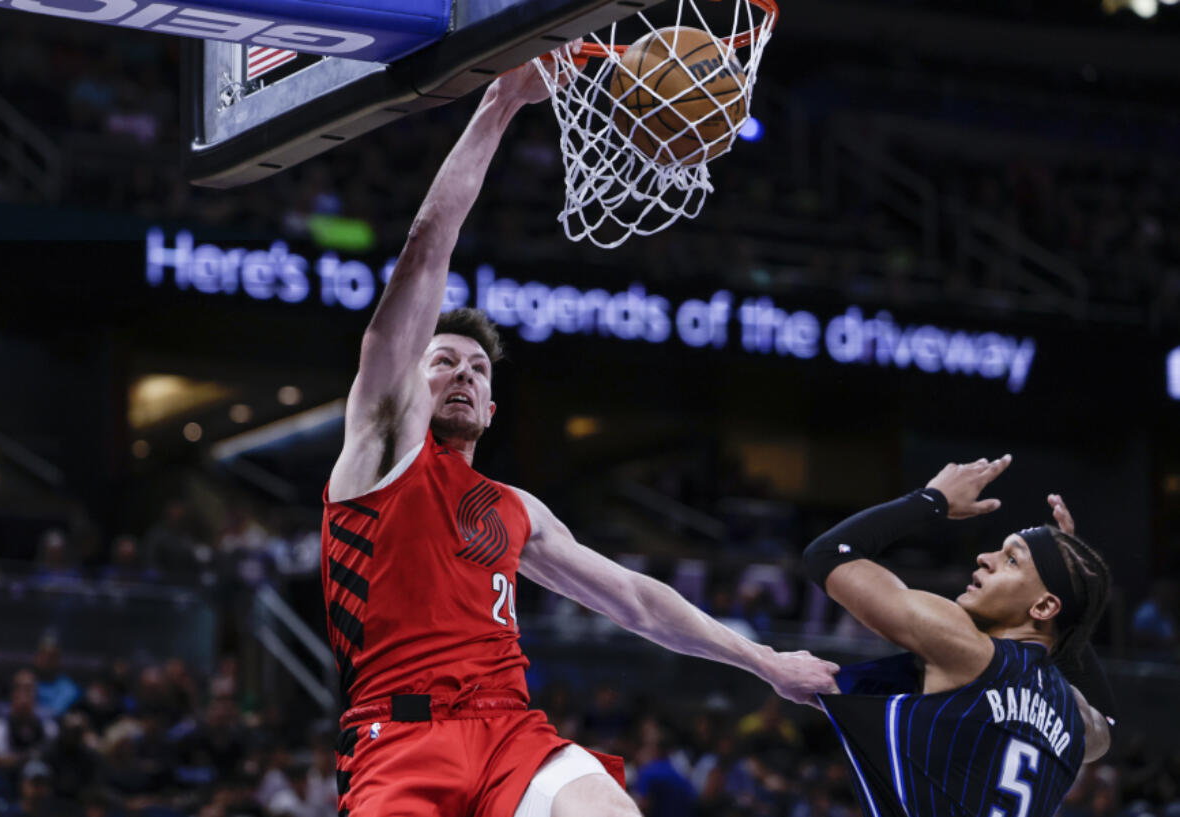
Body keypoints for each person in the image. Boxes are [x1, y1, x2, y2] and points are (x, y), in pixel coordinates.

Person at [320, 54, 839, 817]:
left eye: (476, 370)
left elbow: (634, 598)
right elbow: (429, 243)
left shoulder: (515, 509)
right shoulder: (377, 450)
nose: (460, 374)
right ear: (407, 381)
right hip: (398, 739)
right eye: (442, 362)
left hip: (508, 733)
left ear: (493, 408)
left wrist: (766, 662)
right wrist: (500, 103)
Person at [801, 456, 1114, 817]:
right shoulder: (1074, 715)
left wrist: (932, 499)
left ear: (1043, 607)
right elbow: (1107, 725)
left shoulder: (968, 648)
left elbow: (827, 555)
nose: (984, 558)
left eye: (1012, 560)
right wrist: (1071, 604)